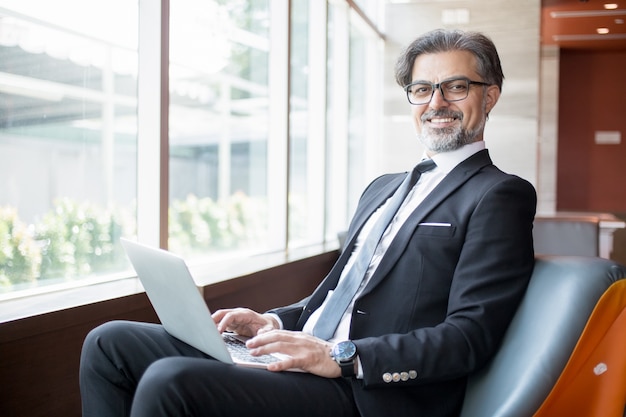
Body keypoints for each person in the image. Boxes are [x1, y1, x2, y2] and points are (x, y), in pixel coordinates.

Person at [80, 28, 536, 417]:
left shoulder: (498, 195)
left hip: (365, 389)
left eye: (455, 87)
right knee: (109, 343)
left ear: (489, 95)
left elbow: (469, 337)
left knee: (170, 379)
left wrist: (337, 355)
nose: (436, 102)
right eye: (422, 89)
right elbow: (344, 295)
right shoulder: (383, 187)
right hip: (300, 353)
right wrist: (270, 321)